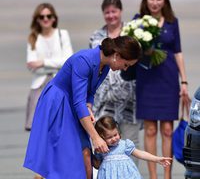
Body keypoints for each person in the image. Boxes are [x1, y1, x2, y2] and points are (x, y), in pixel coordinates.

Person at [23, 36, 142, 179]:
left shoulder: (104, 66)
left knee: (85, 153)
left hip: (75, 103)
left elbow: (90, 93)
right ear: (116, 56)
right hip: (58, 103)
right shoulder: (84, 61)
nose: (125, 69)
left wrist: (89, 106)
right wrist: (96, 137)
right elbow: (78, 102)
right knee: (65, 154)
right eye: (126, 64)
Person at [134, 0, 189, 179]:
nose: (155, 3)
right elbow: (131, 50)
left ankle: (166, 176)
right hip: (147, 79)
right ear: (146, 1)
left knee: (167, 130)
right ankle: (152, 176)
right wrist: (143, 51)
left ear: (164, 0)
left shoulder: (172, 22)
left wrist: (184, 82)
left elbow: (178, 52)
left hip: (168, 79)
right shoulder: (138, 21)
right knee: (149, 130)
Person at [89, 0, 141, 167]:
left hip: (128, 98)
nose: (111, 15)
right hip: (103, 99)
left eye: (114, 11)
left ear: (121, 11)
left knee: (129, 144)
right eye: (107, 12)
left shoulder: (132, 32)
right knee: (105, 145)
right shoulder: (96, 36)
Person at [25, 3, 73, 132]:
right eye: (41, 17)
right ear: (37, 19)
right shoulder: (33, 38)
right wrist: (55, 65)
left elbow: (68, 60)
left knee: (62, 125)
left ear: (54, 18)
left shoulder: (62, 34)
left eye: (48, 16)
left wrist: (43, 63)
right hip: (39, 86)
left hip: (60, 83)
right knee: (38, 128)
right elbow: (31, 65)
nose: (45, 19)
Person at [93, 116, 172, 179]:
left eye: (115, 135)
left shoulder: (124, 145)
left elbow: (140, 154)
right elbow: (97, 166)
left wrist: (156, 159)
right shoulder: (102, 150)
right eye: (109, 137)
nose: (114, 139)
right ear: (101, 138)